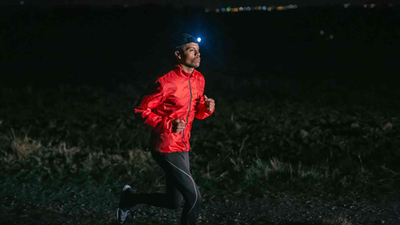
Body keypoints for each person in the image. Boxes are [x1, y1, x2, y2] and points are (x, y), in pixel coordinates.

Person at [117, 33, 215, 225]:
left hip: (183, 145)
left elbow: (195, 112)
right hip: (165, 147)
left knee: (173, 202)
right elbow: (140, 110)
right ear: (178, 55)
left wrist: (206, 109)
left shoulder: (199, 79)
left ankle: (129, 199)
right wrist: (168, 124)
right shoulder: (164, 82)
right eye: (191, 50)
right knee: (195, 198)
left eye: (199, 51)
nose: (198, 54)